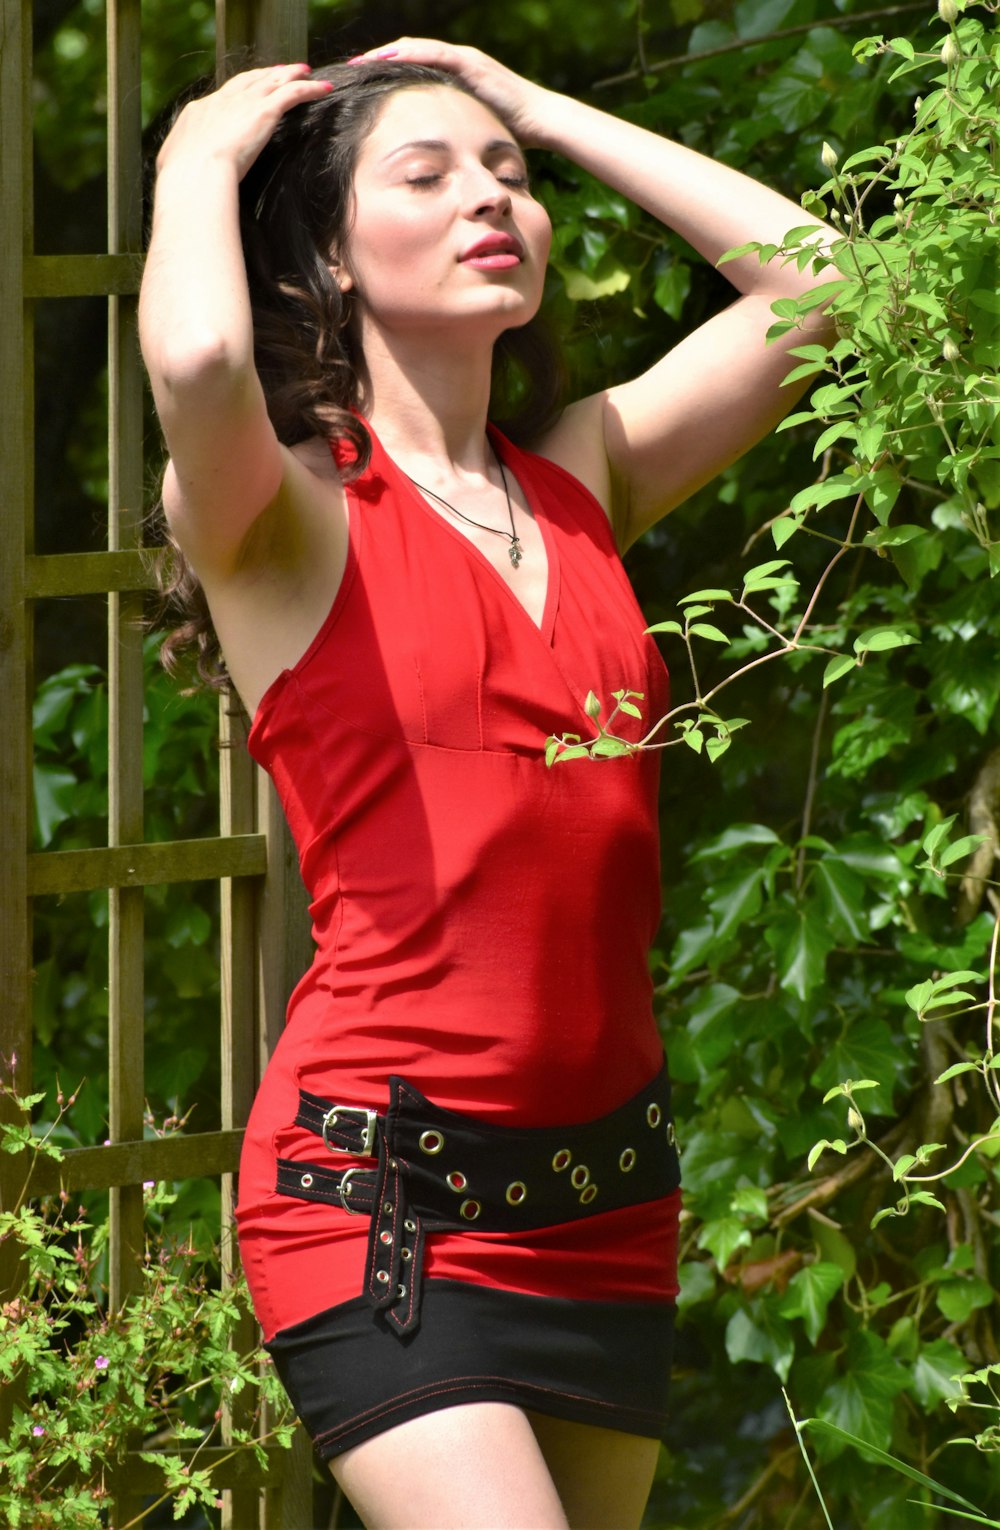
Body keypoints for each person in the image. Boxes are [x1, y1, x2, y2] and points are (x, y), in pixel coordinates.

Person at [139, 38, 835, 1530]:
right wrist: (198, 153)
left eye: (507, 177)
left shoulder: (588, 476)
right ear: (330, 252)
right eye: (429, 173)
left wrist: (542, 110)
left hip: (608, 1198)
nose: (490, 198)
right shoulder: (284, 518)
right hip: (386, 1208)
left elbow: (831, 293)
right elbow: (197, 362)